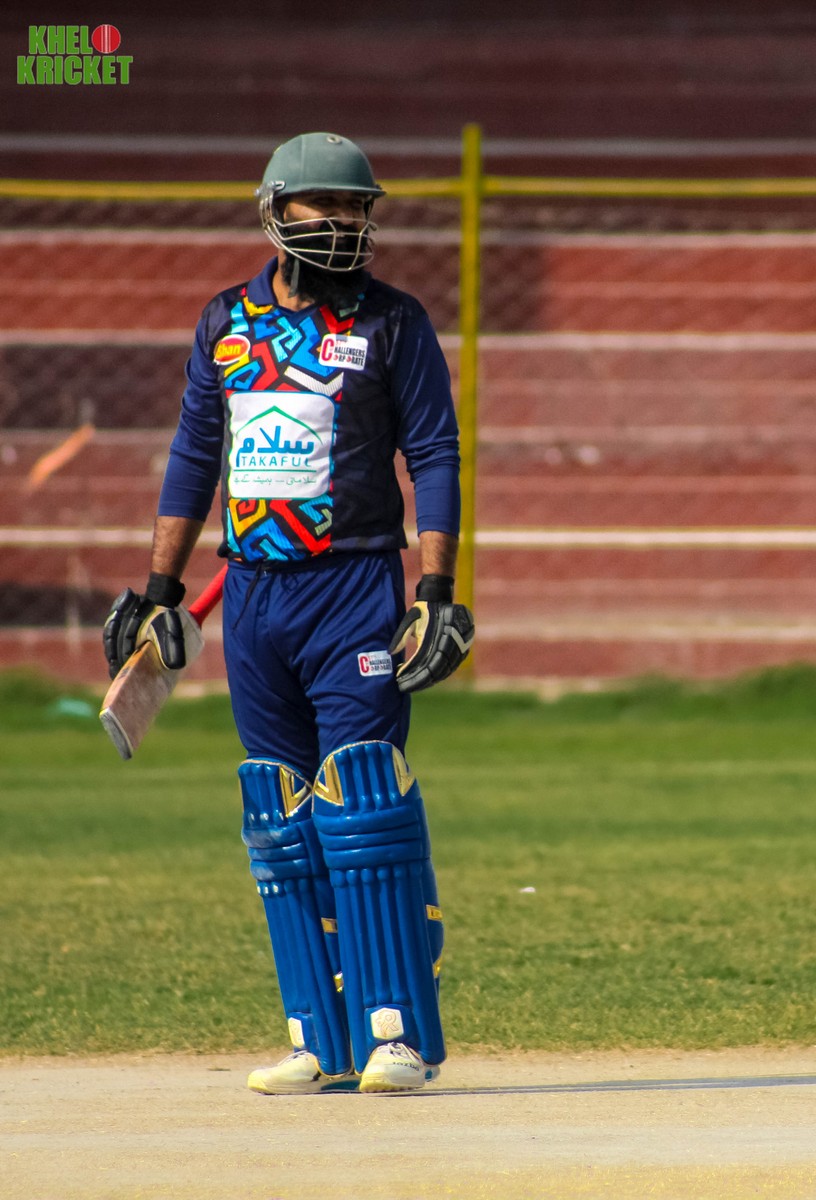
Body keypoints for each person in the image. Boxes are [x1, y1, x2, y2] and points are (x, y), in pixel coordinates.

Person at [102, 132, 474, 1095]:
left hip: (354, 589)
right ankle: (317, 1037)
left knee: (364, 800)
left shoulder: (393, 322)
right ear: (274, 212)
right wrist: (159, 589)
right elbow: (196, 455)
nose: (346, 223)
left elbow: (434, 453)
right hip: (255, 597)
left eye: (358, 208)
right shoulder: (226, 322)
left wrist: (434, 590)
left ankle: (396, 1035)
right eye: (326, 206)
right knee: (279, 811)